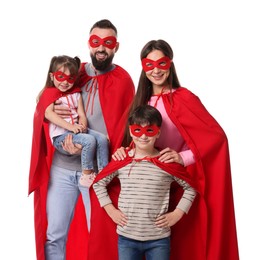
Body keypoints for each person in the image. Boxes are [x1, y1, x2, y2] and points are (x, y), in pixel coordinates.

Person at [111, 39, 240, 259]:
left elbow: (216, 139)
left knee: (181, 248)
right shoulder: (139, 102)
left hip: (175, 185)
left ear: (170, 64)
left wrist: (182, 157)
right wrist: (121, 153)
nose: (156, 70)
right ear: (143, 67)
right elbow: (128, 140)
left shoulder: (184, 98)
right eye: (149, 65)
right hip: (144, 189)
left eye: (161, 63)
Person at [28, 19, 135, 260]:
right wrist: (50, 105)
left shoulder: (124, 80)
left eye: (108, 43)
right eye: (96, 42)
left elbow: (128, 126)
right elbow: (46, 95)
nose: (101, 48)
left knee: (101, 232)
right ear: (89, 43)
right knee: (55, 234)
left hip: (98, 173)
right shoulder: (76, 73)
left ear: (116, 47)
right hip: (62, 169)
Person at [93, 104, 197, 260]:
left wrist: (177, 213)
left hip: (159, 239)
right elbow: (98, 183)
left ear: (158, 133)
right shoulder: (123, 159)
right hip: (126, 238)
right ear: (130, 131)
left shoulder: (166, 161)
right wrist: (111, 210)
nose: (143, 137)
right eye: (137, 130)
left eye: (149, 131)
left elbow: (190, 188)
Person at [43, 55, 109, 188]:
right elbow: (48, 113)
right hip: (60, 135)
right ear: (52, 76)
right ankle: (87, 174)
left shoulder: (76, 94)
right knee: (89, 141)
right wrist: (71, 126)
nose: (65, 82)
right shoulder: (49, 93)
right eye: (61, 77)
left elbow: (81, 114)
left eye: (70, 78)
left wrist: (83, 124)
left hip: (76, 131)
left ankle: (104, 172)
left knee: (102, 139)